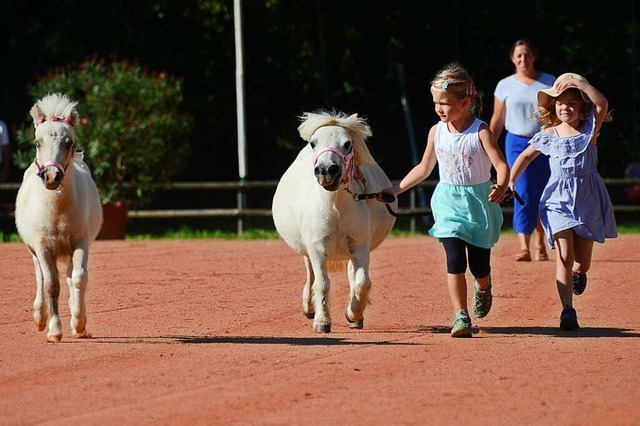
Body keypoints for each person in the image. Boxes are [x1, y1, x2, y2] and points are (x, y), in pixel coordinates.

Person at [379, 63, 509, 338]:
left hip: (478, 203)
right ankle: (461, 316)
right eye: (436, 102)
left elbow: (501, 164)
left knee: (479, 266)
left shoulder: (480, 131)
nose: (439, 108)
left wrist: (501, 185)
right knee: (454, 259)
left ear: (465, 102)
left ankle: (483, 286)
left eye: (445, 103)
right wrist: (396, 189)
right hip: (448, 202)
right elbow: (424, 168)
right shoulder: (436, 132)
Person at [508, 73, 617, 330]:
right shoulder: (548, 134)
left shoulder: (590, 130)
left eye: (571, 103)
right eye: (560, 102)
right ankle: (568, 311)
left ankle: (580, 274)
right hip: (557, 198)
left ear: (582, 111)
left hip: (587, 197)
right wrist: (511, 180)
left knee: (582, 262)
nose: (564, 107)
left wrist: (579, 83)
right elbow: (525, 156)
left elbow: (602, 103)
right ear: (553, 107)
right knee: (565, 257)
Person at [489, 39, 555, 262]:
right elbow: (497, 120)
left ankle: (541, 244)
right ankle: (524, 246)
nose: (523, 59)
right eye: (519, 55)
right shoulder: (504, 85)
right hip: (516, 142)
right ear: (512, 58)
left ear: (533, 56)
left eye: (526, 54)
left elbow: (557, 115)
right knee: (523, 190)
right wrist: (486, 146)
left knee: (544, 191)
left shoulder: (549, 82)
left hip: (545, 141)